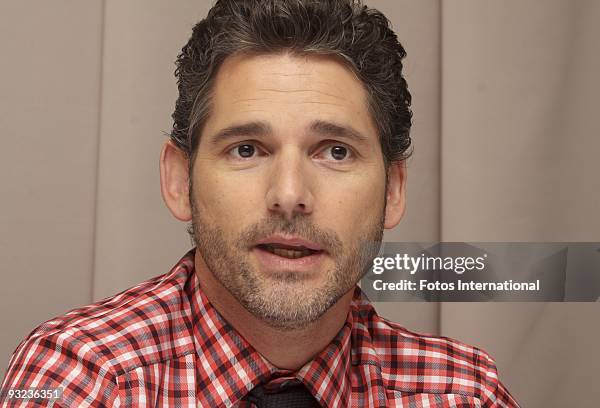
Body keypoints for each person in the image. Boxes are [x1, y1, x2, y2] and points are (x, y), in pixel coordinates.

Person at [0, 0, 519, 406]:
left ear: (394, 191)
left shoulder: (464, 393)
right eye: (247, 149)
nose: (289, 195)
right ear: (179, 180)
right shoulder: (80, 378)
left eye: (335, 152)